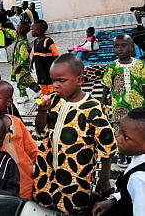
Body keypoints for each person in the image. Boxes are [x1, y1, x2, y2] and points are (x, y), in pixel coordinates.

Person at [33, 53, 117, 215]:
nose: (55, 85)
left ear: (80, 80)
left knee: (72, 210)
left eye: (61, 81)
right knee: (44, 208)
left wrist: (105, 178)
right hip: (46, 172)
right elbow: (41, 129)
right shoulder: (53, 101)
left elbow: (107, 147)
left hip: (76, 178)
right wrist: (42, 111)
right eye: (53, 81)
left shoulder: (93, 109)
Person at [92, 107, 145, 216]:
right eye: (119, 132)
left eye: (125, 137)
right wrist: (114, 200)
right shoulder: (138, 160)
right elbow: (132, 194)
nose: (118, 138)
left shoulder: (138, 178)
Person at [102, 34, 145, 167]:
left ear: (132, 47)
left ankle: (139, 151)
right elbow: (106, 85)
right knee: (119, 129)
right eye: (116, 47)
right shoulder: (112, 67)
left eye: (124, 46)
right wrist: (103, 100)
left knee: (137, 128)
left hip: (137, 105)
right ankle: (122, 155)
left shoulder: (140, 65)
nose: (119, 49)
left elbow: (143, 85)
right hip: (119, 106)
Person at [2, 21, 40, 103]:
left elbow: (24, 56)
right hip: (17, 65)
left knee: (24, 79)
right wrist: (4, 29)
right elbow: (12, 33)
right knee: (21, 79)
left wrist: (19, 66)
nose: (16, 28)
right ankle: (24, 94)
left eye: (17, 27)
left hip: (22, 66)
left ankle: (35, 90)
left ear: (20, 30)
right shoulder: (18, 38)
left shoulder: (24, 43)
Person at [30, 20, 59, 95]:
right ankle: (45, 96)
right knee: (42, 82)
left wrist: (57, 66)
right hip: (40, 68)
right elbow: (34, 54)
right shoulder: (36, 42)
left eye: (32, 29)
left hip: (48, 68)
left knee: (49, 82)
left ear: (38, 31)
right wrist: (31, 63)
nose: (31, 31)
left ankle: (53, 97)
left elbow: (55, 54)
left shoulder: (48, 41)